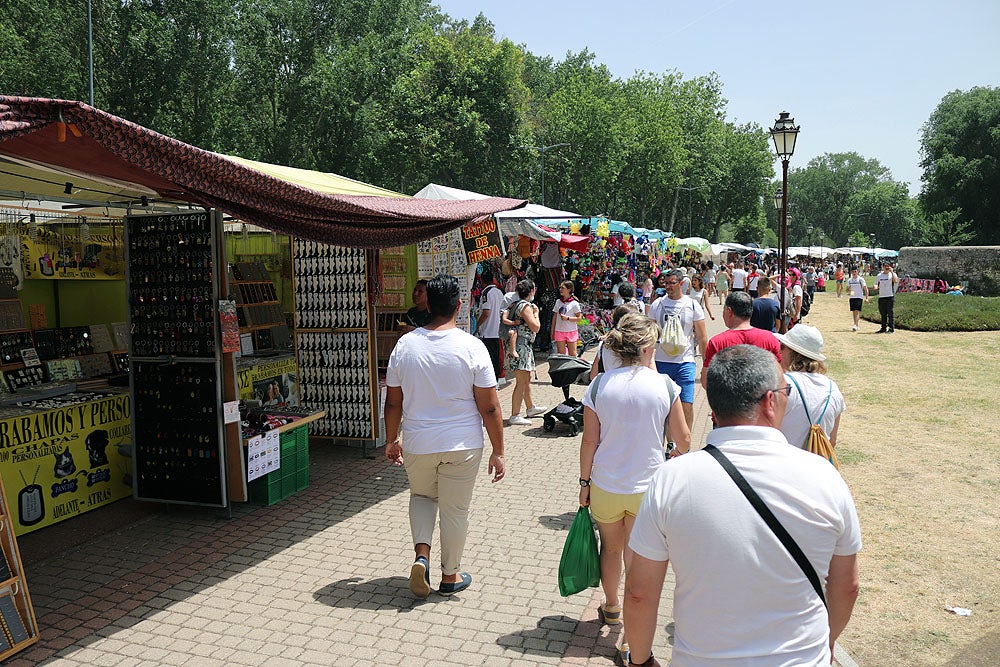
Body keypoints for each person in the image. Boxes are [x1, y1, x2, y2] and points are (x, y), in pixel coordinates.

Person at [624, 345, 861, 667]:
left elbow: (639, 592)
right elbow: (847, 587)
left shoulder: (671, 479)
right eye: (786, 390)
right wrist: (826, 642)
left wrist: (639, 660)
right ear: (770, 401)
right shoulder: (826, 477)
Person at [383, 274, 506, 599]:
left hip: (418, 443)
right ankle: (450, 575)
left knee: (422, 497)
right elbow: (491, 408)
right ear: (459, 305)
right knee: (455, 510)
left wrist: (391, 438)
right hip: (463, 445)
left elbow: (393, 401)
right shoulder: (473, 347)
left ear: (427, 304)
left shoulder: (405, 345)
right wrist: (499, 450)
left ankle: (421, 556)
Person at [579, 313, 691, 665]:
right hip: (648, 487)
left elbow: (589, 441)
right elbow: (685, 440)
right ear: (647, 348)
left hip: (606, 484)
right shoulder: (665, 386)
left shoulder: (598, 386)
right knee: (638, 562)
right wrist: (668, 453)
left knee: (611, 549)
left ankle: (611, 606)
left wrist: (584, 483)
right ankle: (630, 636)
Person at [648, 269, 707, 431]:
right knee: (662, 404)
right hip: (660, 362)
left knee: (686, 403)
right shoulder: (657, 304)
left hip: (685, 362)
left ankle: (685, 444)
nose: (668, 286)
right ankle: (669, 443)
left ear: (681, 283)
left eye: (672, 283)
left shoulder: (692, 305)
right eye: (666, 283)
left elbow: (702, 337)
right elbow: (649, 335)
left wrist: (706, 365)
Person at [774, 324, 846, 451]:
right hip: (817, 466)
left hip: (784, 464)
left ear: (793, 352)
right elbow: (832, 441)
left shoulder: (783, 385)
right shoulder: (833, 389)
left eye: (782, 346)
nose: (779, 351)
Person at [700, 291, 781, 388]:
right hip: (763, 398)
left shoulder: (717, 342)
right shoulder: (771, 339)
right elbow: (781, 374)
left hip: (729, 400)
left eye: (723, 309)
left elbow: (706, 381)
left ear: (729, 311)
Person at [506, 279, 548, 425]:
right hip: (521, 346)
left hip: (522, 345)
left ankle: (530, 408)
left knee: (526, 379)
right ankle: (514, 414)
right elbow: (536, 327)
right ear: (531, 291)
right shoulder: (526, 307)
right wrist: (536, 313)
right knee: (521, 382)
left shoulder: (517, 304)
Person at [476, 269, 505, 378]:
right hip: (497, 330)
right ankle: (496, 379)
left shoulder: (486, 293)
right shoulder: (499, 292)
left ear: (482, 281)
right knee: (496, 356)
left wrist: (478, 325)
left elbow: (486, 312)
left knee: (489, 358)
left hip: (488, 331)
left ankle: (491, 380)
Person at [551, 280, 584, 356]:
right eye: (560, 288)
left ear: (569, 290)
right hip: (559, 331)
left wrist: (568, 318)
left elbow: (579, 318)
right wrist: (552, 331)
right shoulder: (558, 302)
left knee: (572, 354)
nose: (560, 290)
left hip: (571, 331)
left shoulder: (574, 303)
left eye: (563, 288)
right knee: (561, 354)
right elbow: (555, 317)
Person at [875, 262, 899, 333]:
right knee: (883, 313)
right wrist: (875, 286)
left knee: (890, 313)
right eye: (885, 266)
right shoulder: (879, 275)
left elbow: (896, 281)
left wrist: (892, 271)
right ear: (883, 267)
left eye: (888, 266)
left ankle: (891, 328)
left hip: (889, 296)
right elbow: (876, 283)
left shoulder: (892, 274)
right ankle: (883, 328)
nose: (886, 268)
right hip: (881, 296)